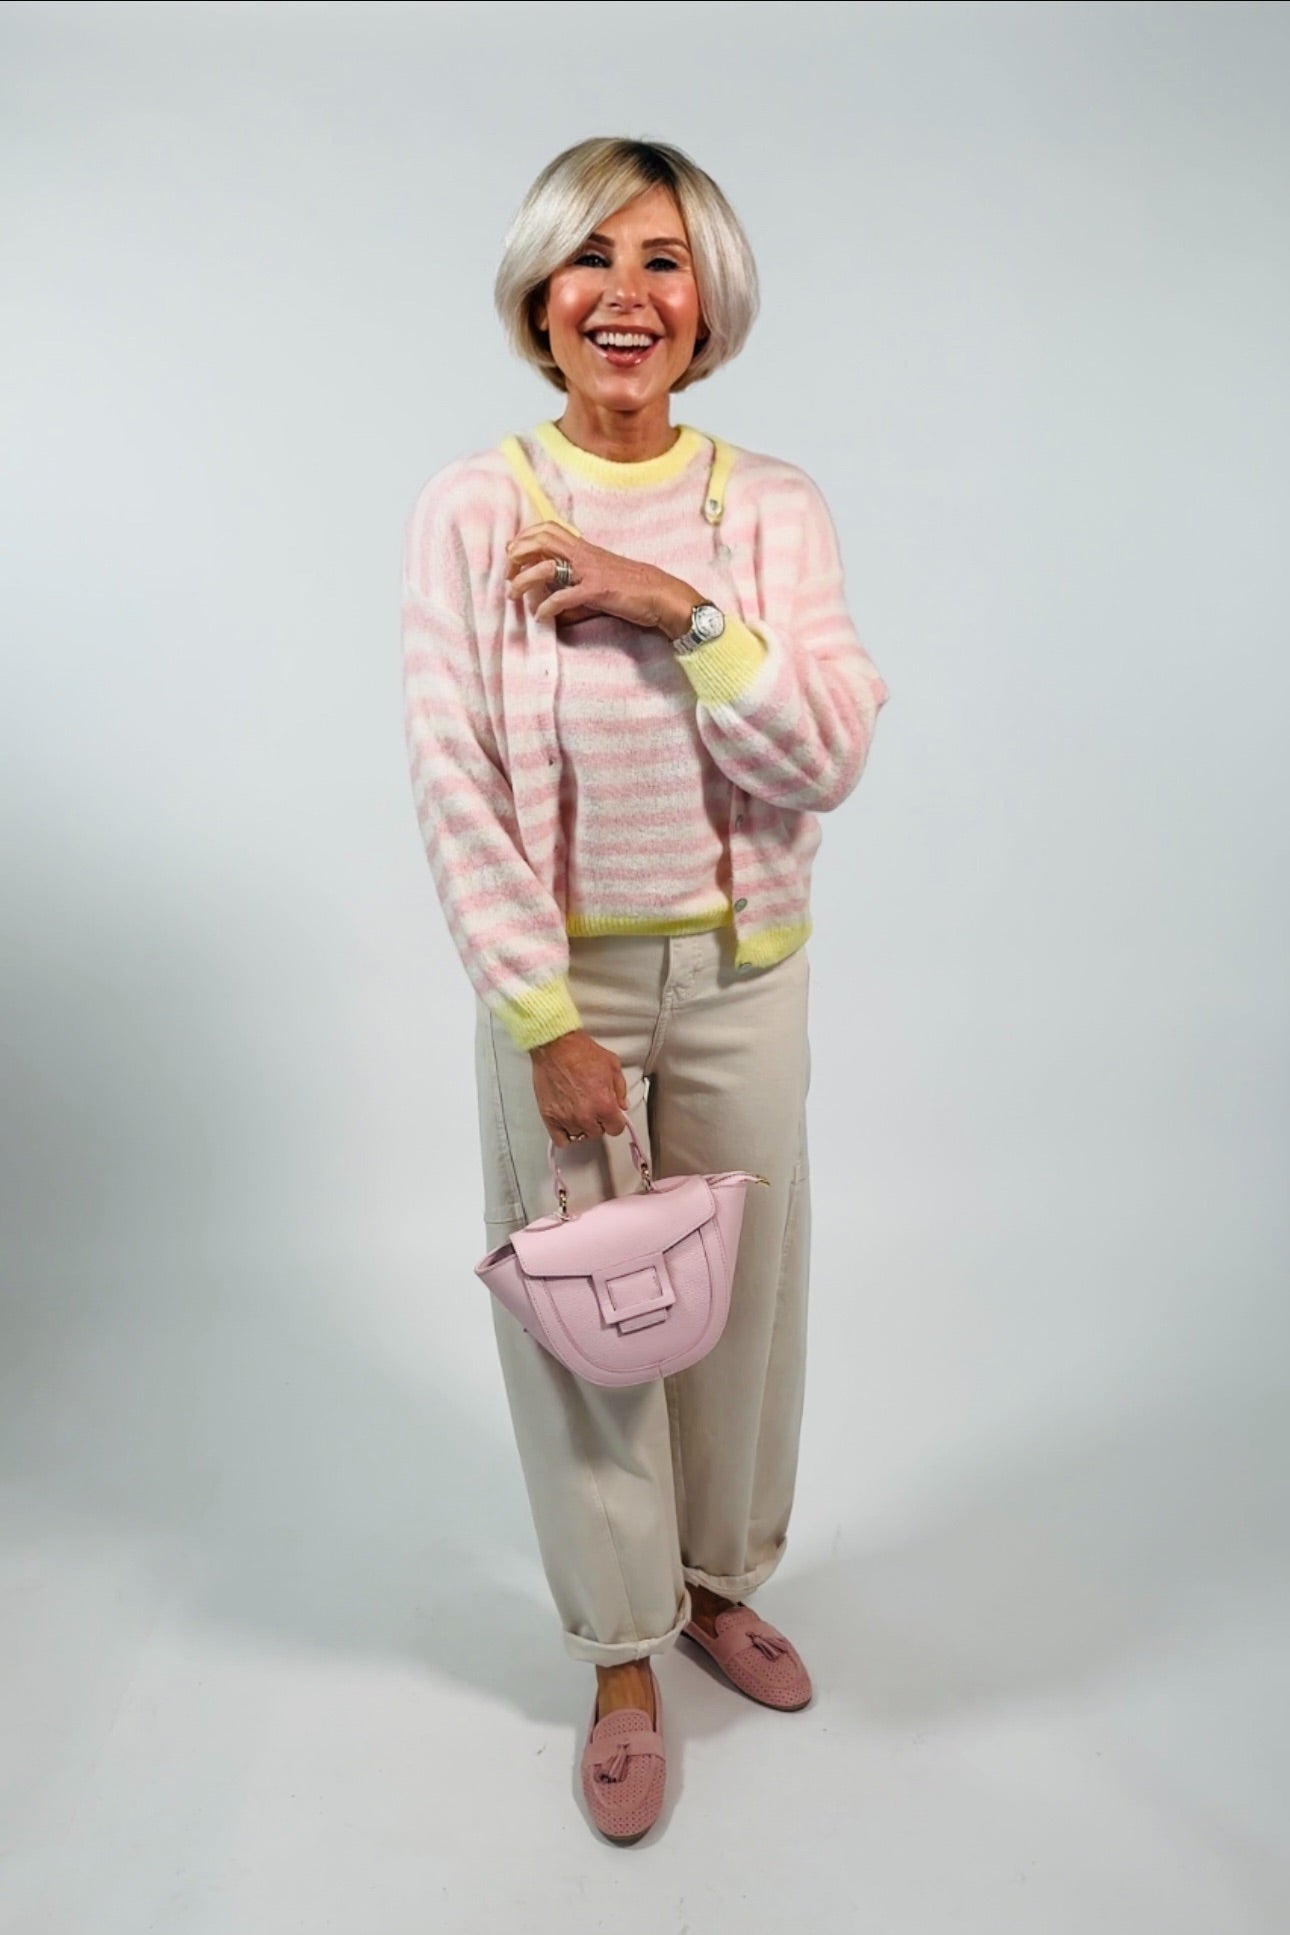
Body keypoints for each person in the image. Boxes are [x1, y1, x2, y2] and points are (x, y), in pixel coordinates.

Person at [400, 135, 890, 1843]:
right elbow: (451, 773)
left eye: (663, 260)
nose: (626, 294)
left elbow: (823, 755)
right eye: (591, 258)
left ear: (708, 301)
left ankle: (716, 1579)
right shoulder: (475, 506)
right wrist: (541, 1021)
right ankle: (621, 1655)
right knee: (590, 1325)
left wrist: (680, 610)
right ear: (540, 295)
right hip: (570, 988)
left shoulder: (772, 510)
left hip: (749, 971)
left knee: (743, 1307)